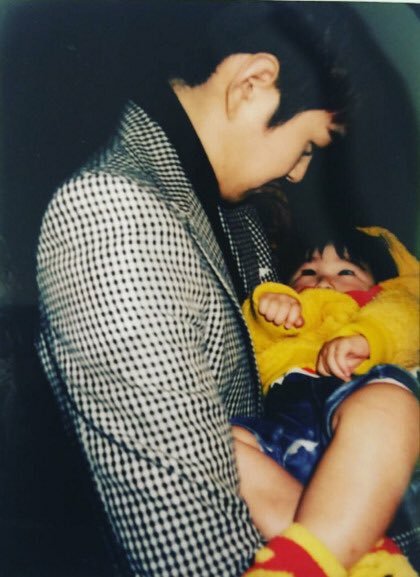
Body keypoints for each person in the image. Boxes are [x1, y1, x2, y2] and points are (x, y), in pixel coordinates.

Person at [35, 2, 417, 576]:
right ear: (253, 84)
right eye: (309, 144)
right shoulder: (111, 211)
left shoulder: (236, 214)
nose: (298, 172)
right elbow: (198, 548)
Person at [234, 226, 419, 575]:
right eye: (308, 271)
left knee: (389, 402)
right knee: (221, 444)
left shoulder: (381, 301)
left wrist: (367, 338)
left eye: (345, 271)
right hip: (284, 432)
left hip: (360, 405)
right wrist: (268, 308)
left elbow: (407, 320)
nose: (323, 281)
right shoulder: (291, 311)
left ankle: (301, 563)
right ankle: (353, 555)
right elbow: (249, 344)